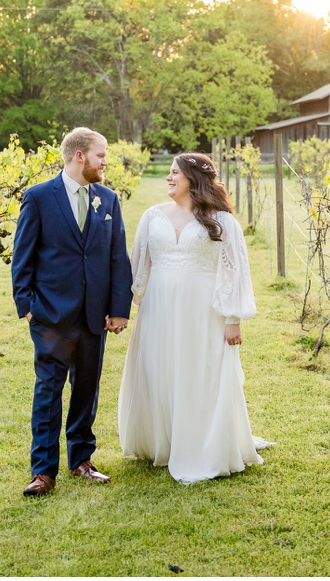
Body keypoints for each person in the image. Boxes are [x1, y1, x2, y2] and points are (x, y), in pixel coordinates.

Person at [117, 152, 270, 484]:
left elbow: (234, 270)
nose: (169, 178)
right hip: (158, 307)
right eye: (169, 173)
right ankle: (165, 440)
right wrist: (126, 306)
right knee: (159, 368)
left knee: (199, 371)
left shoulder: (221, 221)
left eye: (175, 173)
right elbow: (137, 265)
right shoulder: (152, 216)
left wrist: (233, 318)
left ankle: (201, 442)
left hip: (203, 311)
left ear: (193, 179)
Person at [11, 127, 134, 497]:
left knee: (86, 389)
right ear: (80, 156)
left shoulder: (108, 200)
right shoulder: (38, 198)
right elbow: (22, 258)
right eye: (101, 154)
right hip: (50, 315)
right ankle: (43, 471)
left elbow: (117, 258)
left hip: (94, 316)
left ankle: (82, 459)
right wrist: (29, 308)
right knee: (48, 391)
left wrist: (118, 309)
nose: (106, 161)